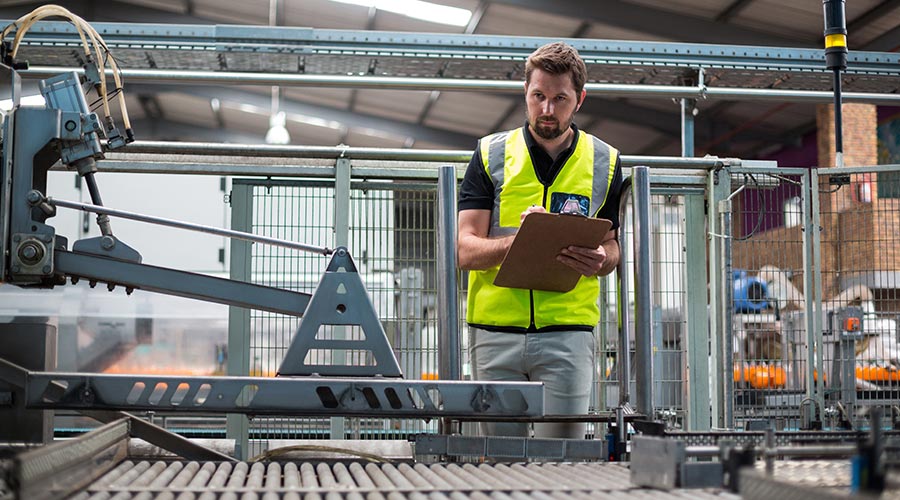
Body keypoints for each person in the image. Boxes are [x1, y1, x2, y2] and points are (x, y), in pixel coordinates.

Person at [457, 41, 623, 439]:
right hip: (495, 334)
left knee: (563, 456)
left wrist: (602, 259)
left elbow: (613, 245)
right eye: (538, 96)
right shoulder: (490, 154)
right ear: (525, 93)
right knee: (499, 460)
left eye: (560, 98)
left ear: (579, 99)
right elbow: (464, 249)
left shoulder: (605, 161)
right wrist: (524, 242)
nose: (547, 109)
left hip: (569, 334)